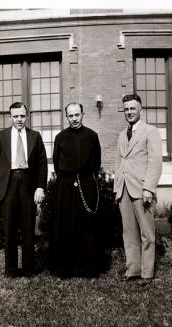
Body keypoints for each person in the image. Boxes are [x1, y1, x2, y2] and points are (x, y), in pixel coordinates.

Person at [0, 102, 48, 277]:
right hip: (9, 184)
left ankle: (29, 269)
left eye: (22, 116)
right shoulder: (1, 137)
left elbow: (42, 163)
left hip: (28, 184)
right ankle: (11, 269)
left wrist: (40, 187)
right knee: (10, 228)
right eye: (16, 116)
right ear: (10, 117)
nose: (19, 119)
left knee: (28, 227)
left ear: (27, 116)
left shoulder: (35, 136)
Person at [114, 94, 162, 286]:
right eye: (126, 109)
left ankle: (147, 273)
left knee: (147, 233)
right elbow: (119, 162)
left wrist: (149, 188)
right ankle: (133, 269)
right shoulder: (121, 134)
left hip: (142, 189)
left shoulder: (151, 131)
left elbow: (155, 162)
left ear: (140, 110)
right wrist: (117, 187)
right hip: (124, 189)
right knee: (129, 232)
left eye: (132, 109)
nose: (129, 112)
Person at [50, 102, 103, 278]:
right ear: (67, 117)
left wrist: (86, 178)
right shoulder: (60, 137)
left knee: (86, 225)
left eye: (77, 115)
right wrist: (67, 178)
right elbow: (57, 163)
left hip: (87, 183)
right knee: (65, 225)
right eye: (70, 116)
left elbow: (97, 163)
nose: (74, 119)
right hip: (65, 185)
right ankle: (66, 268)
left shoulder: (92, 136)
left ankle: (88, 268)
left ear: (83, 114)